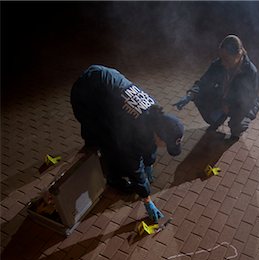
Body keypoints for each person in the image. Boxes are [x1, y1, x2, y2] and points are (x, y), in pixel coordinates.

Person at [71, 65, 184, 223]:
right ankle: (113, 179)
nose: (165, 148)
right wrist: (147, 200)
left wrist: (149, 163)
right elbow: (134, 167)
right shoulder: (136, 131)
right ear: (159, 136)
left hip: (106, 80)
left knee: (117, 139)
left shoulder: (156, 115)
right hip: (86, 95)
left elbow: (149, 145)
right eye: (167, 144)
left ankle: (106, 160)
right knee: (107, 142)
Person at [174, 35, 259, 139]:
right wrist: (190, 95)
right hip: (222, 98)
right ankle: (216, 121)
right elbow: (203, 82)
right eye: (221, 57)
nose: (223, 63)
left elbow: (248, 100)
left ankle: (236, 129)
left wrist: (230, 107)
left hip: (242, 106)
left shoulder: (250, 72)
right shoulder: (219, 63)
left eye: (227, 59)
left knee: (238, 125)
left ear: (238, 54)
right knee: (198, 97)